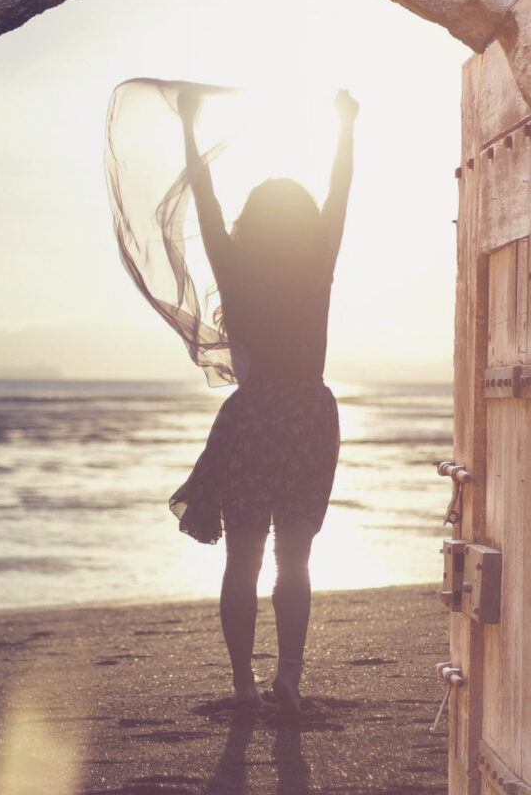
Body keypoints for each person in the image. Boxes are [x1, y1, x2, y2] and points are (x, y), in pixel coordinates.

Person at [170, 88, 358, 718]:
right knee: (294, 558)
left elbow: (205, 200)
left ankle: (244, 685)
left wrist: (191, 129)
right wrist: (344, 125)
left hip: (252, 421)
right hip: (307, 416)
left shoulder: (236, 266)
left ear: (253, 224)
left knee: (244, 558)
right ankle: (291, 680)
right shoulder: (318, 261)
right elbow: (341, 192)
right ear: (303, 221)